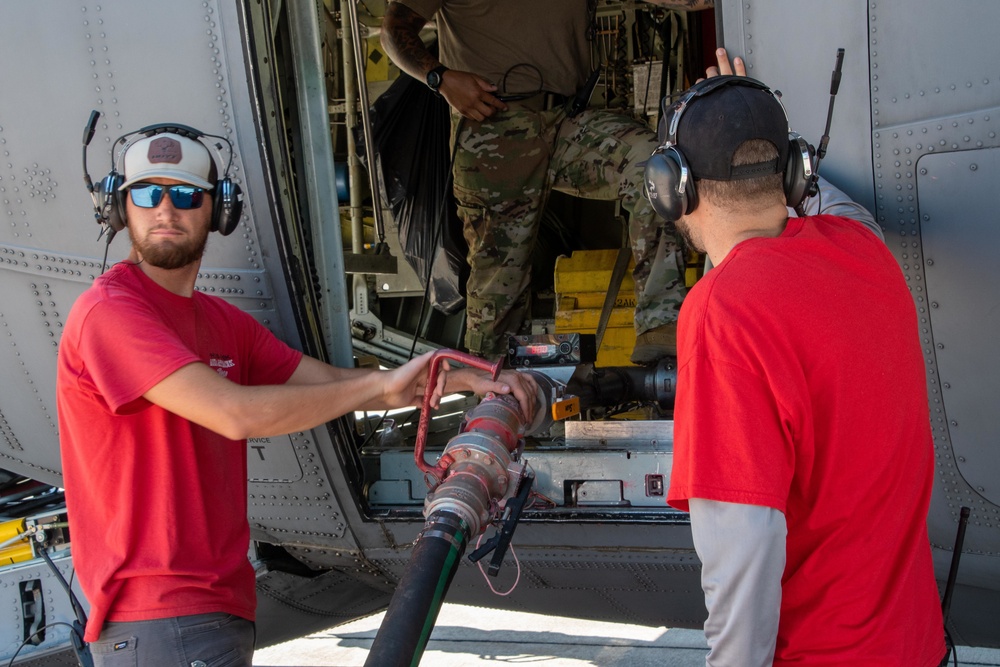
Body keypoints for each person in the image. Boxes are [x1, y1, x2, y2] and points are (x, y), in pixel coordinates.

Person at [56, 129, 537, 666]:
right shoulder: (111, 313)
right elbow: (233, 413)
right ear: (120, 206)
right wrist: (380, 385)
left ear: (220, 210)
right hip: (155, 616)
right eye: (148, 194)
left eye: (188, 194)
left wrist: (466, 379)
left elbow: (334, 385)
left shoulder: (221, 324)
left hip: (216, 610)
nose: (166, 209)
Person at [659, 52, 947, 665]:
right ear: (793, 174)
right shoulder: (864, 253)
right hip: (913, 646)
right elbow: (831, 211)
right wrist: (743, 118)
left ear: (670, 189)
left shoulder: (721, 315)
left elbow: (744, 548)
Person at [380, 0, 713, 362]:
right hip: (495, 126)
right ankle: (495, 387)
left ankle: (659, 324)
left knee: (655, 168)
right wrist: (440, 79)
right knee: (498, 283)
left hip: (568, 118)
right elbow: (394, 31)